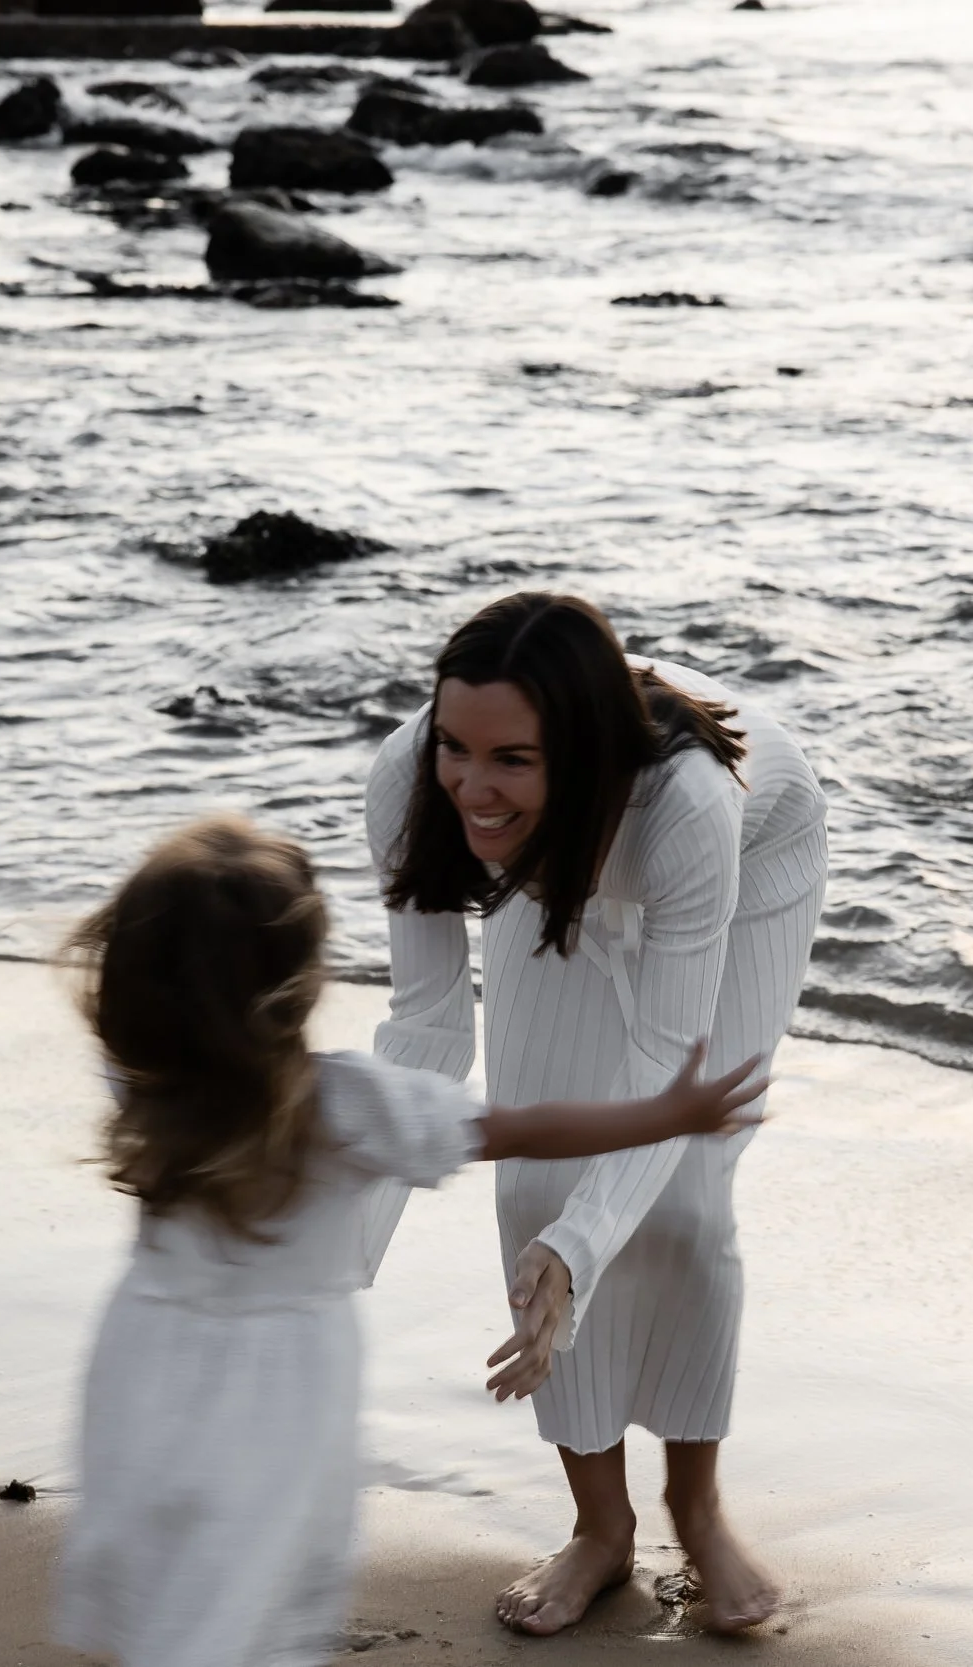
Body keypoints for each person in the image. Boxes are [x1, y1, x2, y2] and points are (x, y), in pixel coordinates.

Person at [53, 814, 769, 1667]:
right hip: (276, 1385)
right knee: (251, 1571)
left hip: (146, 1358)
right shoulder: (342, 1103)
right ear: (297, 988)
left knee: (154, 1552)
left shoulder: (142, 1084)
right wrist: (663, 1112)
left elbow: (160, 998)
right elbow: (519, 1128)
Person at [365, 594, 828, 1636]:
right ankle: (599, 1525)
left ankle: (695, 1503)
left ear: (571, 747)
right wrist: (323, 1241)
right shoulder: (422, 783)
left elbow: (667, 1064)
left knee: (689, 1192)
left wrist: (583, 1246)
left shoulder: (691, 803)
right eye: (453, 744)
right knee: (536, 1181)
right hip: (554, 851)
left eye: (509, 756)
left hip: (749, 868)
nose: (469, 785)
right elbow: (429, 1029)